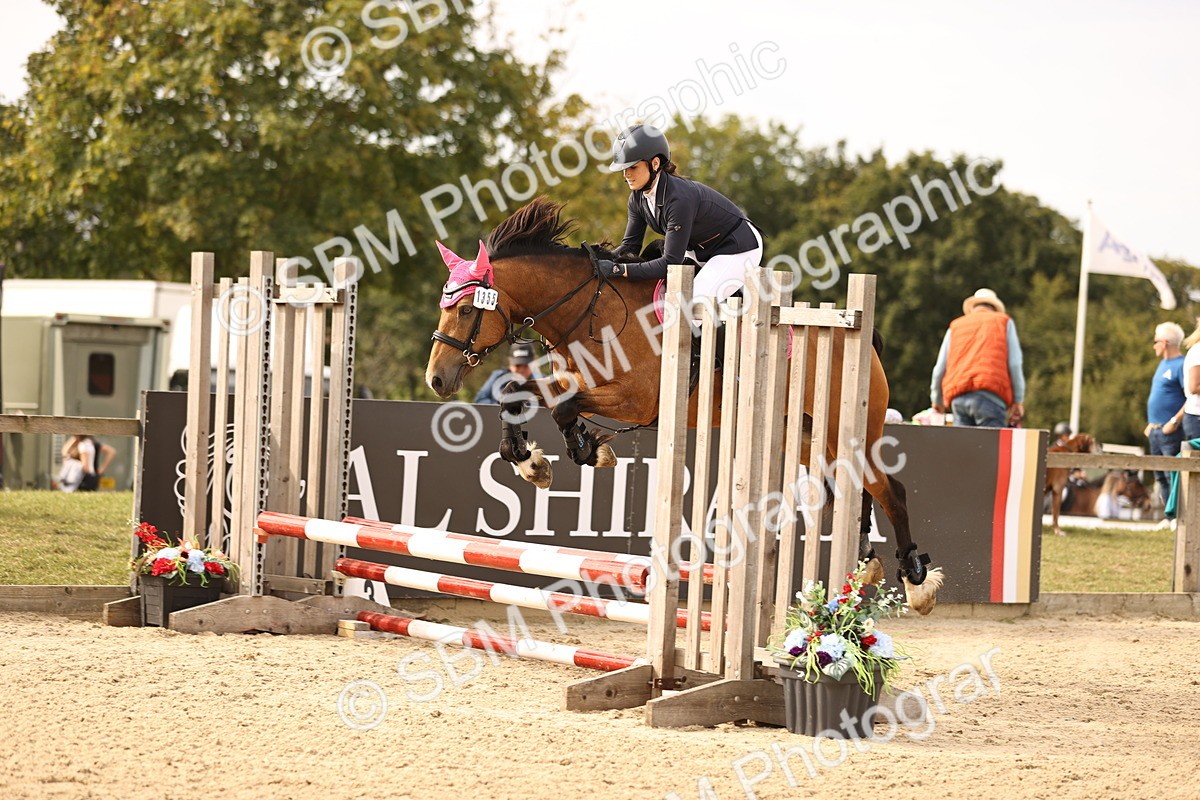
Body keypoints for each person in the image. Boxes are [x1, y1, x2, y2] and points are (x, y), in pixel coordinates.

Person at [597, 124, 764, 373]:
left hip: (737, 248)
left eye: (632, 167)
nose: (626, 175)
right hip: (701, 250)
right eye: (623, 169)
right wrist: (601, 260)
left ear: (655, 164)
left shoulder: (679, 198)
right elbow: (630, 246)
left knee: (692, 305)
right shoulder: (638, 198)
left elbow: (670, 263)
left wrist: (620, 270)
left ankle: (732, 372)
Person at [929, 288, 1026, 428]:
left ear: (974, 307)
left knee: (963, 449)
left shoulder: (955, 326)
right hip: (990, 397)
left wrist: (937, 400)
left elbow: (939, 368)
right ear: (995, 308)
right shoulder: (1004, 322)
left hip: (958, 399)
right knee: (990, 449)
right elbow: (1015, 364)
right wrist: (1018, 401)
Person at [1144, 321, 1186, 505]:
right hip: (1155, 430)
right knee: (1160, 476)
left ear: (1165, 342)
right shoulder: (1162, 364)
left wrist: (1174, 421)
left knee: (1172, 476)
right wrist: (1151, 424)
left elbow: (1191, 398)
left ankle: (1179, 519)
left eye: (1155, 341)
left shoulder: (1181, 364)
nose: (1154, 346)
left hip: (1171, 431)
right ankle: (1169, 519)